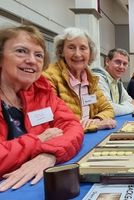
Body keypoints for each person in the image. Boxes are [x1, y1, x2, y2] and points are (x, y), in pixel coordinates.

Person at [0, 25, 83, 191]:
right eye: (21, 51)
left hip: (32, 183)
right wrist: (38, 140)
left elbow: (73, 126)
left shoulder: (41, 91)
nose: (31, 60)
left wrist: (50, 153)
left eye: (38, 55)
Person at [43, 27, 116, 132]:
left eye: (83, 48)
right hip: (67, 139)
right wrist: (95, 125)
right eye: (71, 47)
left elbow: (108, 109)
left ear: (90, 53)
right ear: (61, 51)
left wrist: (96, 119)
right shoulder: (49, 77)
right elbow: (53, 121)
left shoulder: (90, 79)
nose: (77, 54)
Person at [92, 48, 134, 116]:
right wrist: (132, 106)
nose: (121, 66)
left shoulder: (117, 81)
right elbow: (109, 108)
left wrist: (121, 107)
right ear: (107, 61)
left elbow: (129, 100)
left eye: (125, 64)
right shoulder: (97, 78)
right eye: (118, 62)